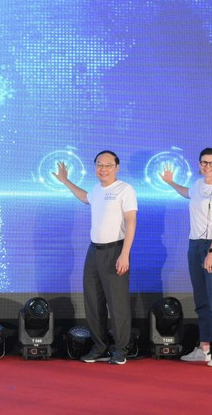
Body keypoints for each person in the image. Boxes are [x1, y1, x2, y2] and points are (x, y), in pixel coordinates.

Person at [53, 150, 137, 365]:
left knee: (117, 304)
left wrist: (125, 254)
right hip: (94, 251)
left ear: (117, 167)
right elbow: (85, 198)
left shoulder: (124, 189)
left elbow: (131, 222)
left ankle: (120, 349)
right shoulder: (97, 190)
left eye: (108, 165)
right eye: (99, 164)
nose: (103, 169)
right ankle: (99, 347)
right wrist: (65, 181)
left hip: (115, 250)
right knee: (93, 302)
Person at [160, 147, 212, 367]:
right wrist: (171, 182)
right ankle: (204, 349)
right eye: (204, 162)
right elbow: (187, 193)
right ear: (199, 164)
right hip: (195, 245)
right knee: (202, 300)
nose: (208, 166)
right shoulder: (198, 185)